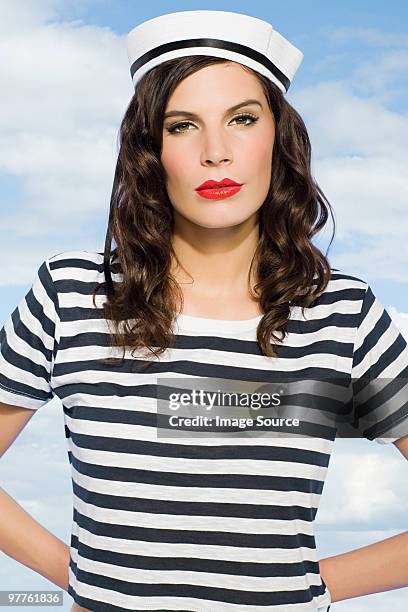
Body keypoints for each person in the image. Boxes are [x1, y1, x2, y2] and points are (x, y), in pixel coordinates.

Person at [1, 9, 407, 612]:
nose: (216, 152)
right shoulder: (69, 296)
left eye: (242, 119)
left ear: (279, 136)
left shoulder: (343, 314)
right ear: (149, 150)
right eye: (183, 125)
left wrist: (313, 586)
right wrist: (85, 576)